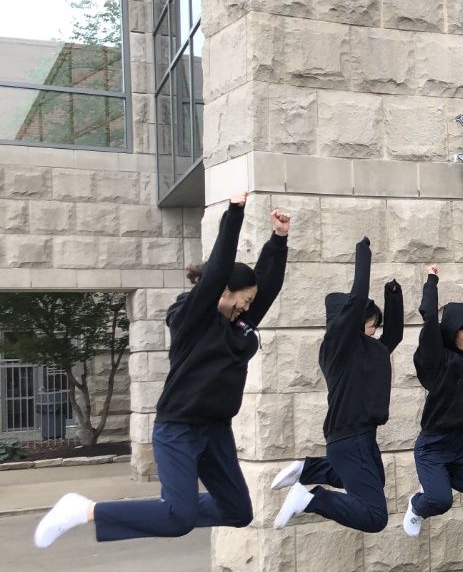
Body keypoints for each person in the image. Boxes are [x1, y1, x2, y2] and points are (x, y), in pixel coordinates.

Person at [35, 192, 290, 547]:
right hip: (179, 428)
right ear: (223, 292)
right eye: (244, 300)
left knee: (237, 511)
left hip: (216, 431)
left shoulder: (237, 325)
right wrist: (235, 214)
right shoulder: (192, 317)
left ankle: (175, 508)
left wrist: (279, 239)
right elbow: (218, 269)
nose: (247, 308)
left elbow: (268, 287)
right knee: (178, 518)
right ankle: (85, 510)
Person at [269, 237, 404, 532]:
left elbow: (393, 337)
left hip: (359, 436)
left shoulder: (368, 352)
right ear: (354, 321)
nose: (375, 330)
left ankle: (309, 469)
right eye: (371, 323)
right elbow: (356, 301)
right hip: (350, 436)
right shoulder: (338, 346)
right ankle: (310, 499)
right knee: (375, 517)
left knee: (376, 479)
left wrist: (393, 297)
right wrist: (363, 255)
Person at [403, 263, 463, 537]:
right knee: (440, 501)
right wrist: (431, 281)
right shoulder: (439, 359)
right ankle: (417, 503)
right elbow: (429, 321)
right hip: (433, 445)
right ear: (451, 330)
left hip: (461, 445)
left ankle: (436, 483)